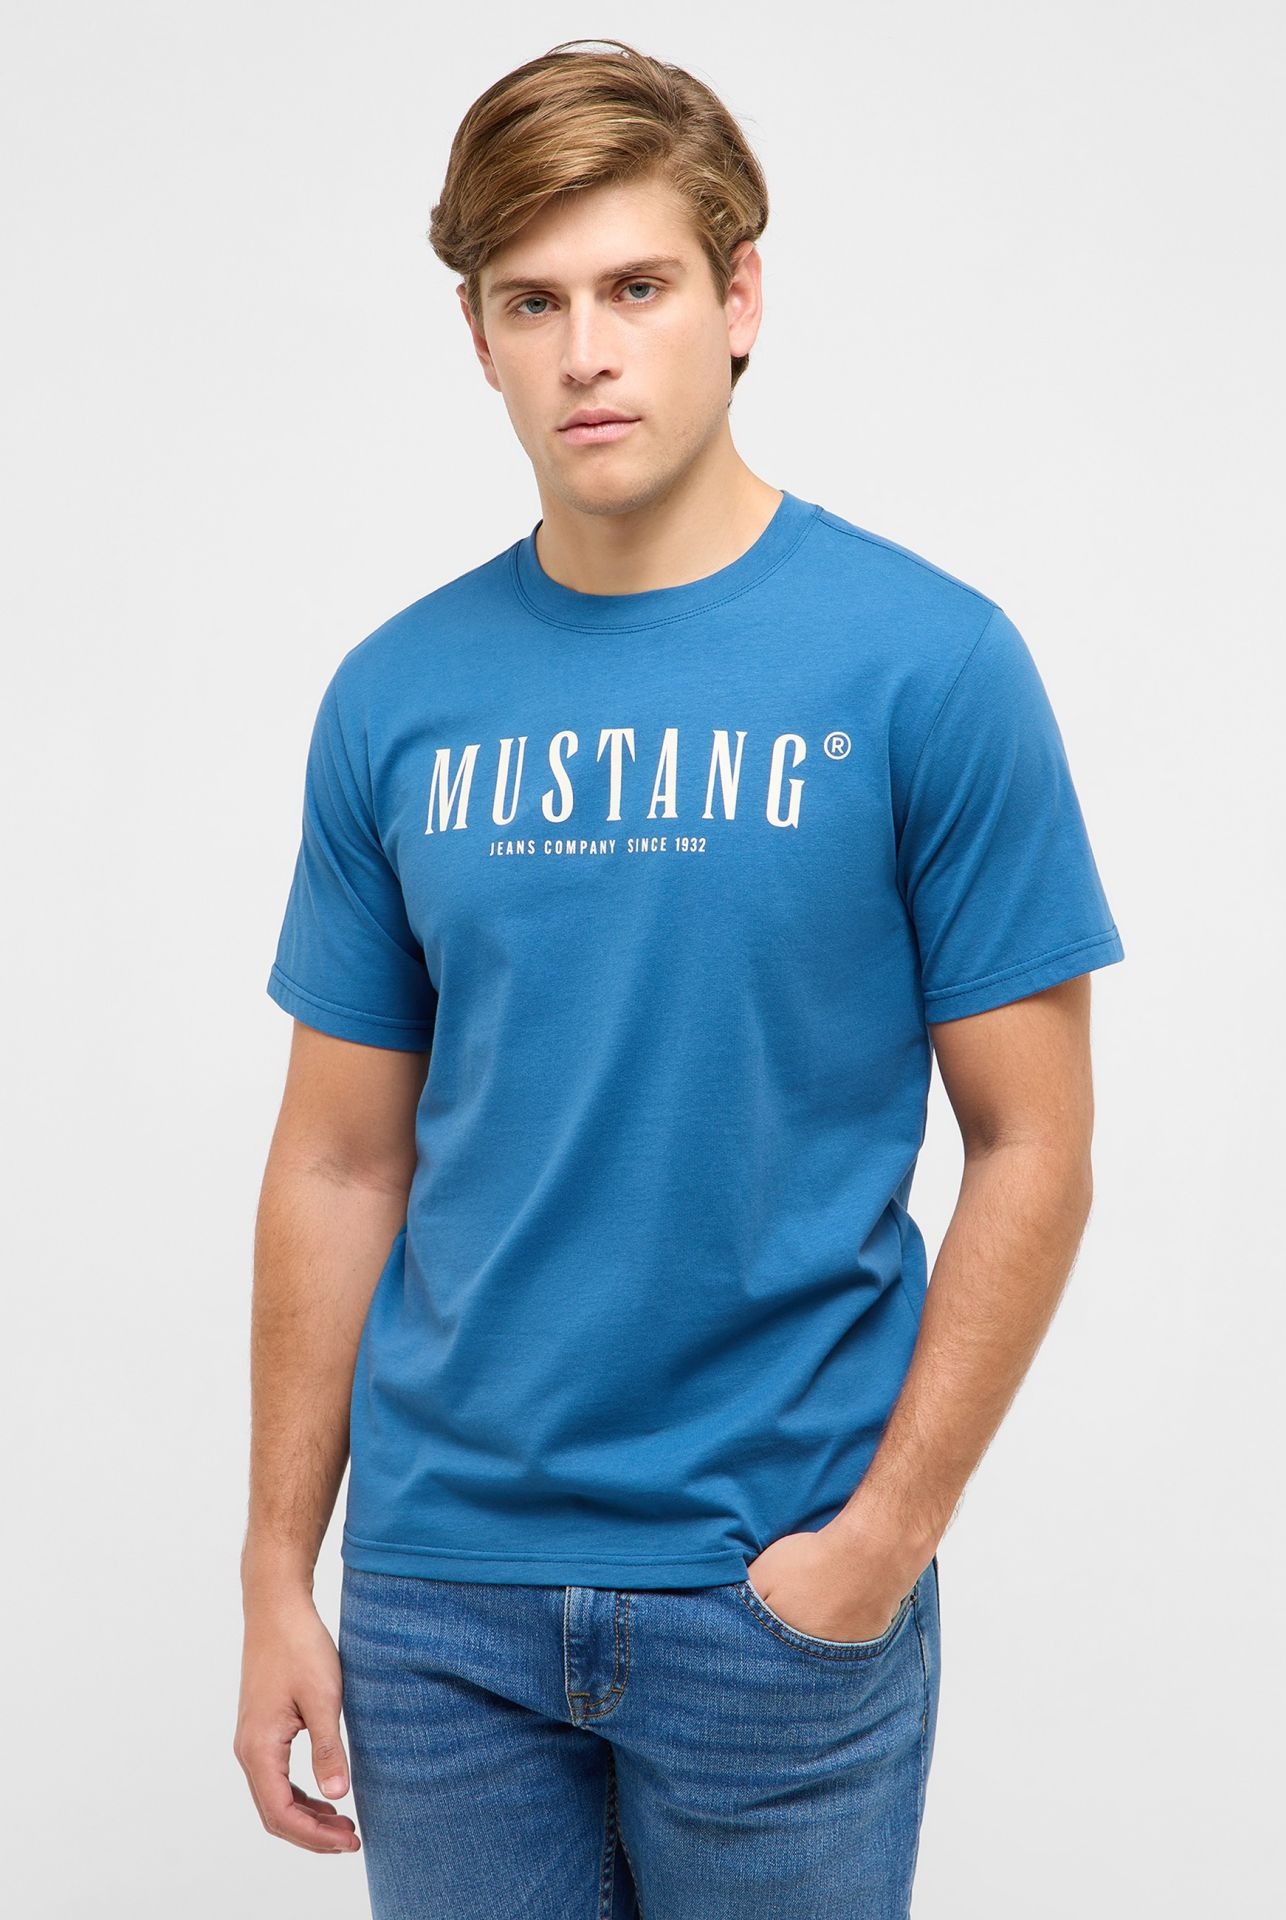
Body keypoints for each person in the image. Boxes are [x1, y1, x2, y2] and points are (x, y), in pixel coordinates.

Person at [234, 36, 1126, 1920]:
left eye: (635, 287)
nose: (586, 352)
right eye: (531, 301)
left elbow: (1033, 1143)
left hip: (774, 1592)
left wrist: (880, 1543)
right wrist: (274, 1575)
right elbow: (335, 1159)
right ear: (477, 337)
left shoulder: (927, 665)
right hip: (441, 1605)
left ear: (738, 300)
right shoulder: (394, 699)